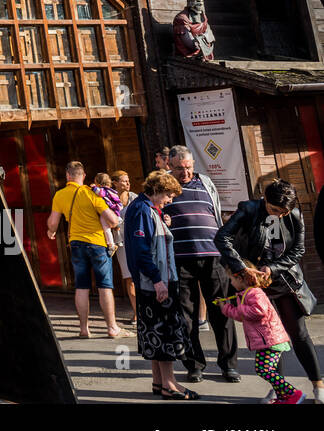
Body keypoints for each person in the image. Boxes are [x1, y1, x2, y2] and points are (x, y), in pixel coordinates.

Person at [216, 179, 323, 404]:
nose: (281, 215)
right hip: (255, 283)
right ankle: (279, 387)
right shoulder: (248, 209)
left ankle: (318, 385)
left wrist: (272, 268)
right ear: (265, 199)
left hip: (284, 280)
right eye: (275, 210)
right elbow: (221, 237)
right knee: (270, 340)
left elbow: (298, 249)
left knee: (298, 333)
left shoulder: (293, 214)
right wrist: (241, 267)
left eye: (285, 211)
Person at [167, 145, 238, 383]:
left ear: (193, 165)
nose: (184, 173)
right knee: (186, 316)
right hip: (180, 259)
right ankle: (194, 365)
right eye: (179, 169)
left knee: (222, 311)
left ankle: (229, 365)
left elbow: (216, 213)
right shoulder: (164, 185)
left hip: (213, 256)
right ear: (170, 166)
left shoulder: (205, 182)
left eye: (187, 168)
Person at [124, 171, 195, 399]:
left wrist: (164, 222)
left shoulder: (148, 209)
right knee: (166, 334)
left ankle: (159, 382)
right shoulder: (142, 209)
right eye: (168, 195)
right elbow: (142, 250)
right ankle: (169, 385)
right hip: (156, 282)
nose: (170, 200)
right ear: (156, 190)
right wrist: (157, 280)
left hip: (156, 281)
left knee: (156, 333)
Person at [47, 161, 123, 338]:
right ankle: (112, 328)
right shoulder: (92, 193)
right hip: (97, 244)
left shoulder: (60, 195)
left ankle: (83, 329)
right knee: (105, 286)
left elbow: (52, 223)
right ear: (83, 176)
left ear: (68, 176)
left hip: (76, 244)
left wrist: (51, 231)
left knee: (82, 286)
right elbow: (112, 220)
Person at [219, 263, 305, 404]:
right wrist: (227, 308)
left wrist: (238, 308)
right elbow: (243, 317)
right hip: (266, 340)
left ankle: (294, 394)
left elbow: (259, 311)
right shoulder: (246, 294)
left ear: (241, 278)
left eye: (231, 279)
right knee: (264, 370)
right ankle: (284, 397)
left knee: (264, 370)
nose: (230, 282)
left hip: (271, 340)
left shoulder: (254, 293)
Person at [112, 171, 139, 324]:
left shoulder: (135, 198)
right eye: (123, 181)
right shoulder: (110, 199)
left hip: (136, 241)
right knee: (130, 278)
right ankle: (137, 313)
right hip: (121, 243)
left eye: (128, 180)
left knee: (141, 276)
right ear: (115, 183)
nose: (127, 183)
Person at [91, 172, 123, 252]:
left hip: (109, 211)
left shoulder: (104, 190)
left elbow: (100, 193)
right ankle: (117, 225)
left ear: (99, 183)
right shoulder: (112, 191)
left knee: (106, 228)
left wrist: (93, 188)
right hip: (116, 213)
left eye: (95, 182)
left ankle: (111, 245)